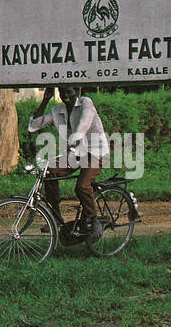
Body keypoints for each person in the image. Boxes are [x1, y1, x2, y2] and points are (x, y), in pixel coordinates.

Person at [27, 85, 110, 243]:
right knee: (49, 173)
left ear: (77, 91)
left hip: (95, 152)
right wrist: (45, 100)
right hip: (75, 153)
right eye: (62, 92)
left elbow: (83, 125)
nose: (65, 96)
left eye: (69, 92)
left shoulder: (86, 103)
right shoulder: (58, 110)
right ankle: (55, 219)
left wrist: (74, 140)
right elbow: (34, 126)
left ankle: (94, 221)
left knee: (82, 186)